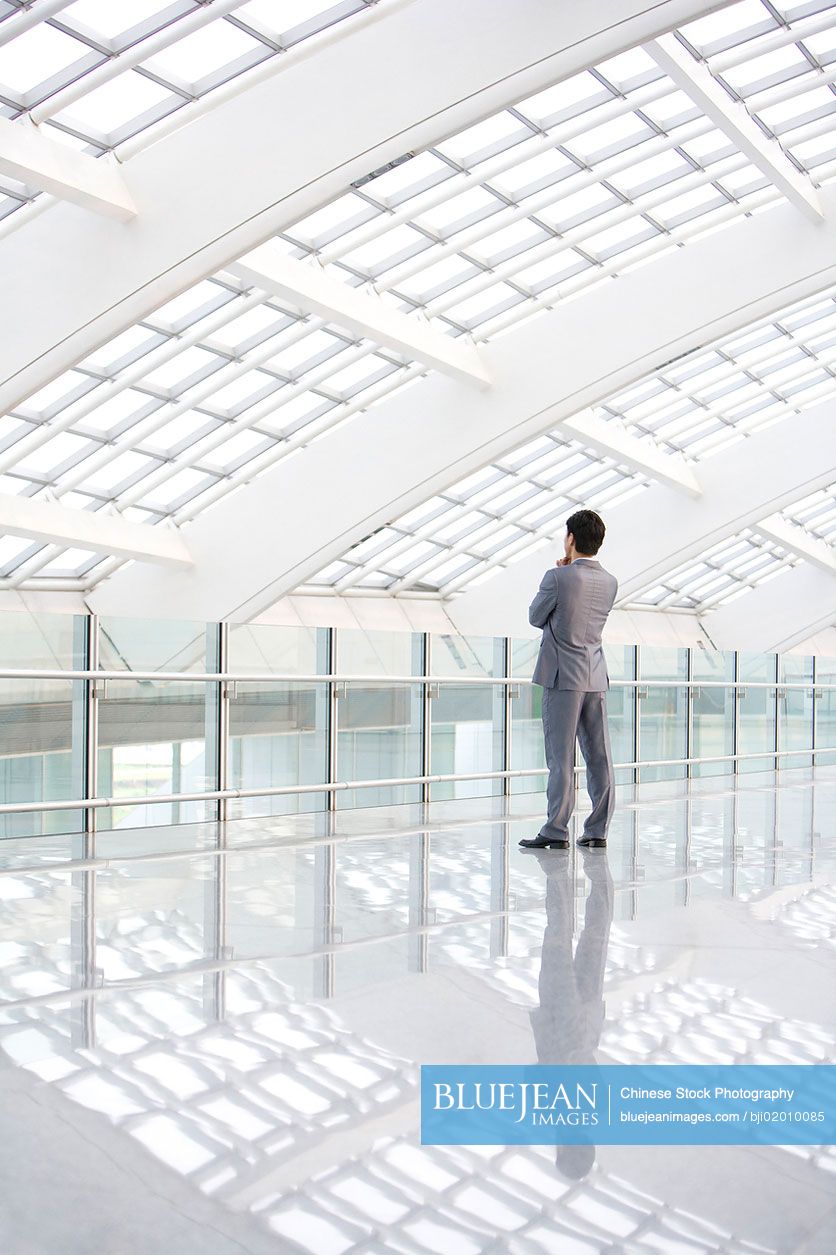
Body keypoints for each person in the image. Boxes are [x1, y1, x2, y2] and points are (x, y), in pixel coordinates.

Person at [520, 509, 618, 852]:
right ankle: (597, 829)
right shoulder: (610, 581)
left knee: (560, 758)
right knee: (599, 756)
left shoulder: (557, 577)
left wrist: (559, 575)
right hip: (595, 674)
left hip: (563, 678)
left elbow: (535, 616)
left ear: (571, 539)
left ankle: (556, 829)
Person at [530, 849, 614, 1178]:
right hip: (558, 1019)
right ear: (564, 1150)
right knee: (557, 939)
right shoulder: (550, 1116)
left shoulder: (598, 1111)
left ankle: (600, 876)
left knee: (596, 937)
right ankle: (556, 868)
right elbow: (536, 1075)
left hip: (586, 1022)